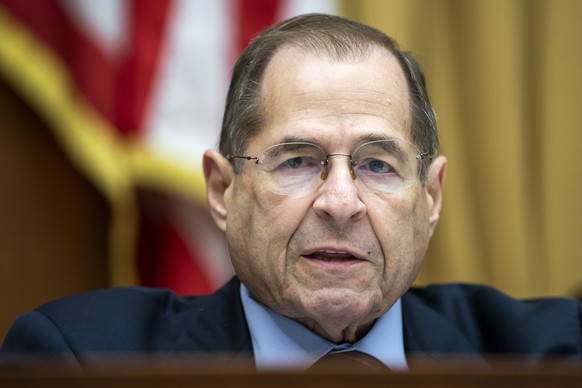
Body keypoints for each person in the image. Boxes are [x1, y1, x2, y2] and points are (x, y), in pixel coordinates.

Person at [1, 13, 581, 371]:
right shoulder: (81, 359)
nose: (340, 203)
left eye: (377, 165)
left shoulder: (549, 355)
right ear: (224, 190)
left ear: (430, 197)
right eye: (298, 161)